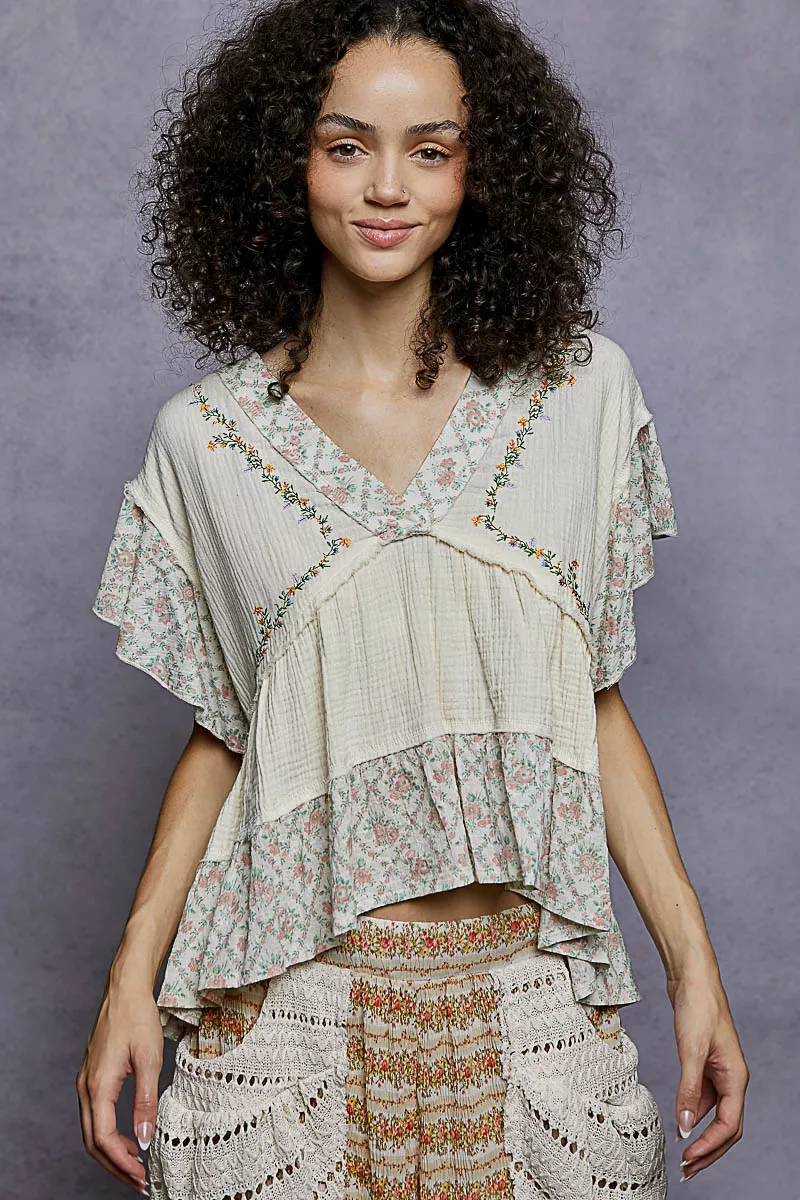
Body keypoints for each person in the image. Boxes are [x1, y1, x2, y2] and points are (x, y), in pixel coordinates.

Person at [76, 1, 749, 1197]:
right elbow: (230, 730)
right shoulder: (208, 442)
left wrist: (692, 966)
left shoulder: (579, 394)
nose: (386, 187)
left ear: (478, 174)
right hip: (284, 1034)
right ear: (284, 165)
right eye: (346, 146)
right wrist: (131, 981)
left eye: (428, 150)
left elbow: (588, 695)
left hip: (533, 1020)